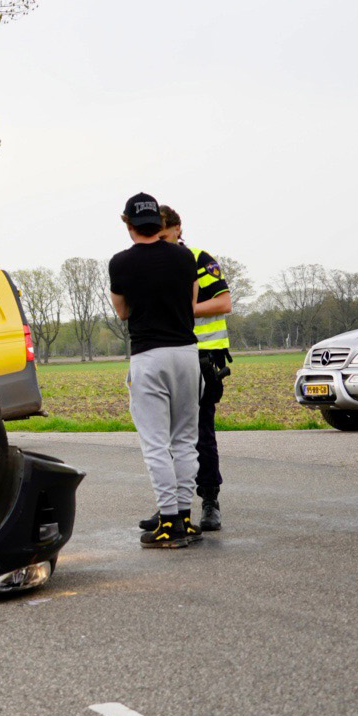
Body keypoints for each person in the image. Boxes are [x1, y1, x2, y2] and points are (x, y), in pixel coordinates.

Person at [108, 192, 203, 548]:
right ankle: (184, 517)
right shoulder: (184, 257)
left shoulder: (120, 264)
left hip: (149, 355)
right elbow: (191, 303)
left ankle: (166, 522)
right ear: (159, 224)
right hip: (186, 354)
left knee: (156, 444)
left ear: (129, 225)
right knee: (184, 440)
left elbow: (122, 312)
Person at [141, 205, 233, 533]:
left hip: (204, 358)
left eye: (164, 236)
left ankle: (210, 501)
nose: (159, 242)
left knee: (200, 434)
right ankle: (173, 509)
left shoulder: (198, 259)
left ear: (178, 229)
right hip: (168, 354)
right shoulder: (154, 262)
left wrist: (183, 310)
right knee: (166, 437)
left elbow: (224, 303)